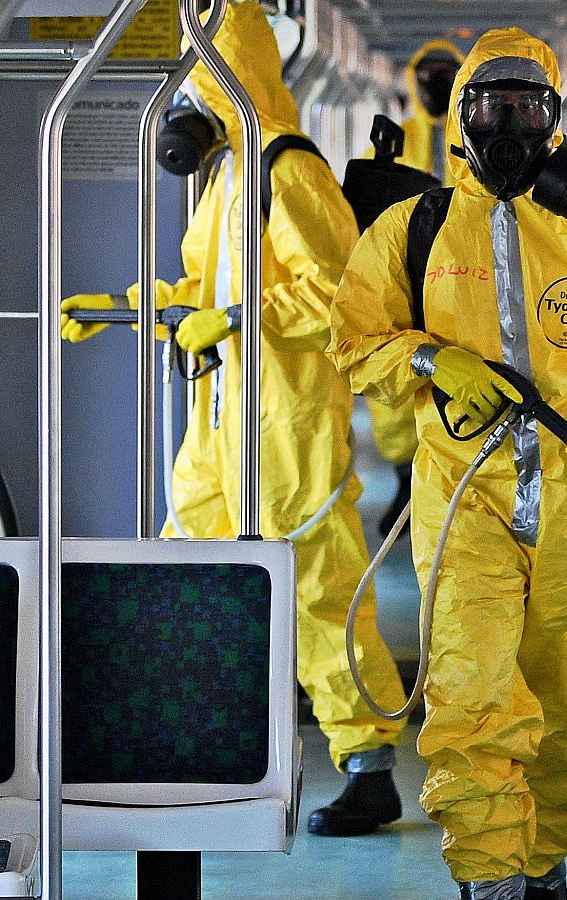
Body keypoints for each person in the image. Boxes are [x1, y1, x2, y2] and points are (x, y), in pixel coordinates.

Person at [328, 28, 567, 900]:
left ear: (556, 122)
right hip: (467, 507)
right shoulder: (411, 231)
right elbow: (354, 339)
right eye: (490, 111)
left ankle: (540, 860)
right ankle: (490, 881)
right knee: (471, 704)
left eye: (527, 111)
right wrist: (428, 358)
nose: (509, 131)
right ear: (459, 122)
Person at [57, 1, 408, 839]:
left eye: (207, 75)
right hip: (218, 418)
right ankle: (192, 736)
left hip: (287, 422)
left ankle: (369, 763)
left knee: (318, 589)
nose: (194, 95)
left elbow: (336, 295)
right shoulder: (222, 177)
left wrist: (242, 317)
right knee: (187, 566)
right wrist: (125, 308)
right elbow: (199, 290)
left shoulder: (290, 172)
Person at [364, 39, 466, 537]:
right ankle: (406, 482)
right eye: (428, 75)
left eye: (448, 74)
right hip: (404, 277)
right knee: (397, 389)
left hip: (463, 281)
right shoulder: (396, 141)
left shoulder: (475, 142)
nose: (437, 84)